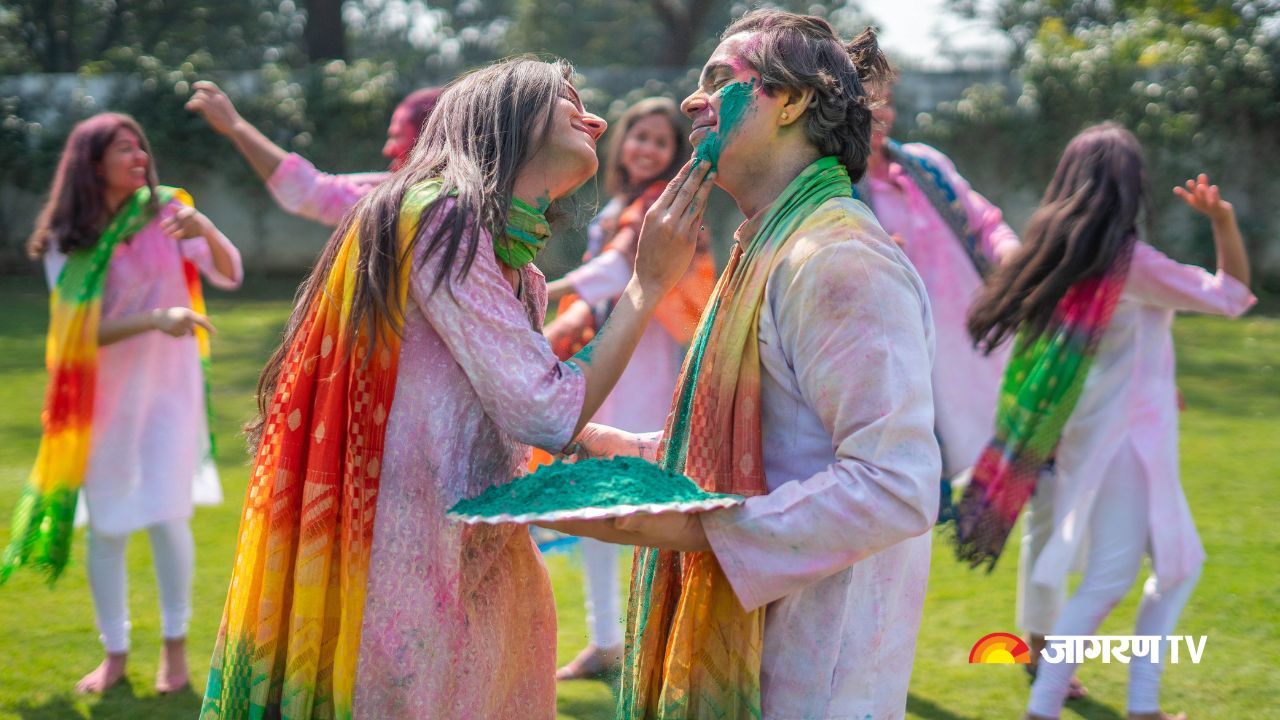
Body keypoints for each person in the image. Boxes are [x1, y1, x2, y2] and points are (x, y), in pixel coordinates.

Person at [199, 57, 714, 719]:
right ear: (511, 114)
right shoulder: (441, 219)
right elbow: (544, 407)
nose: (597, 119)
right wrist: (645, 287)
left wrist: (634, 445)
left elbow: (507, 408)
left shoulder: (516, 267)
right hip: (399, 567)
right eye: (569, 99)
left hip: (476, 555)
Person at [547, 12, 941, 718]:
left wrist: (695, 527)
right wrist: (598, 451)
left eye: (721, 80)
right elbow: (763, 454)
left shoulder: (838, 257)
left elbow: (897, 485)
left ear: (792, 101)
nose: (694, 100)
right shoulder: (770, 248)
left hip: (814, 676)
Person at [954, 124, 1254, 720]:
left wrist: (1157, 381)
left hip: (1102, 435)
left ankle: (1139, 706)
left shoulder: (1058, 256)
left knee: (1178, 566)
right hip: (1130, 445)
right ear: (1130, 188)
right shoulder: (1131, 265)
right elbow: (1232, 295)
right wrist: (1220, 219)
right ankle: (1043, 707)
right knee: (1111, 578)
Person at [1, 112, 243, 694]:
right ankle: (114, 654)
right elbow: (75, 336)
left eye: (141, 146)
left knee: (168, 516)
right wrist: (155, 319)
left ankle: (176, 654)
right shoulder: (67, 240)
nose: (139, 157)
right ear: (92, 164)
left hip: (170, 392)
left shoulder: (167, 213)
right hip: (103, 401)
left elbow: (231, 273)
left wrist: (204, 226)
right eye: (123, 149)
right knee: (107, 529)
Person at [542, 97, 715, 682]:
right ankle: (607, 639)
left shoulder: (663, 206)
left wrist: (534, 289)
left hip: (648, 362)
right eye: (639, 136)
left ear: (674, 154)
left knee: (645, 503)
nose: (647, 148)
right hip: (612, 360)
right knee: (595, 497)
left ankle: (657, 641)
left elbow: (618, 273)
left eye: (661, 142)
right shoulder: (619, 203)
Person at [857, 79, 1021, 524]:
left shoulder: (925, 165)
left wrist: (1011, 258)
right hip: (917, 349)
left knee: (1012, 437)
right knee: (931, 459)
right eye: (868, 103)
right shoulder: (838, 187)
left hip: (978, 332)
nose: (881, 115)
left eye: (887, 104)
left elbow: (986, 222)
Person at [186, 81, 440, 225]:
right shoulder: (435, 195)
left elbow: (310, 191)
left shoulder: (423, 206)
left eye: (397, 136)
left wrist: (236, 127)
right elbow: (319, 188)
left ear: (430, 141)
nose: (388, 149)